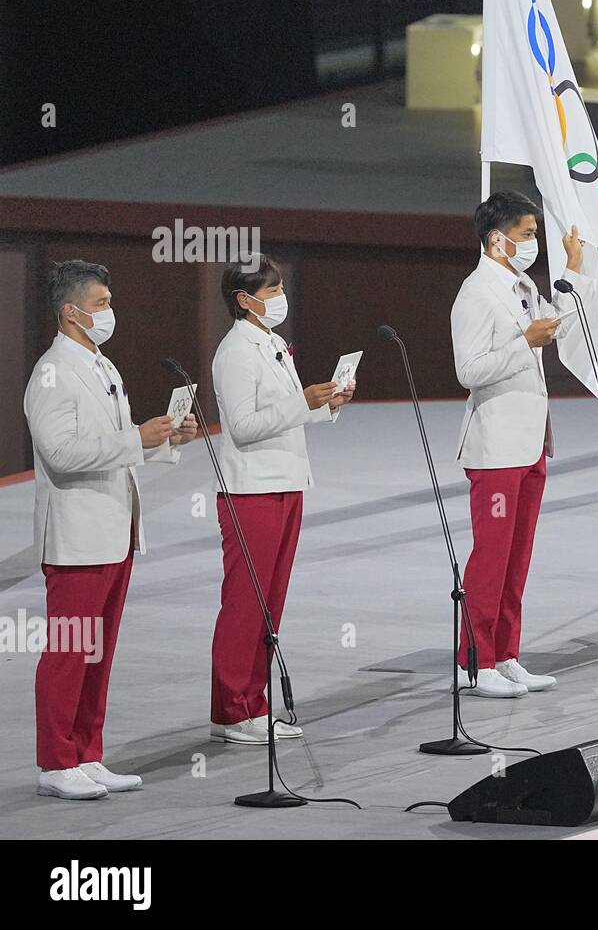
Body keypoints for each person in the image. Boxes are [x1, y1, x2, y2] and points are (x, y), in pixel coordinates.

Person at [24, 260, 197, 799]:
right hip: (76, 533)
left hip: (114, 528)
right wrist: (135, 439)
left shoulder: (104, 366)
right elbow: (60, 452)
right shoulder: (51, 372)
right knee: (69, 652)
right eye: (100, 303)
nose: (109, 312)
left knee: (99, 651)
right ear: (69, 312)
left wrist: (165, 439)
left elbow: (118, 445)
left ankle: (87, 752)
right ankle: (56, 762)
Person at [449, 190, 593, 697]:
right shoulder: (475, 293)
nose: (534, 243)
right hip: (495, 447)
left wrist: (573, 271)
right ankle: (477, 660)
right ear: (497, 239)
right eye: (528, 235)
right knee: (490, 557)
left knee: (517, 555)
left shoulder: (523, 284)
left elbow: (553, 325)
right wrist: (522, 344)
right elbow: (468, 371)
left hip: (531, 440)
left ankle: (507, 654)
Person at [208, 256, 354, 744]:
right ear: (244, 301)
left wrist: (324, 406)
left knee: (270, 604)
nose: (279, 298)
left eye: (280, 288)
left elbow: (288, 414)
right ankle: (231, 710)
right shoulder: (235, 352)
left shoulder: (273, 344)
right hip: (251, 490)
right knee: (246, 603)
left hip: (287, 483)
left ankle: (255, 702)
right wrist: (301, 402)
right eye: (271, 291)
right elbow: (244, 426)